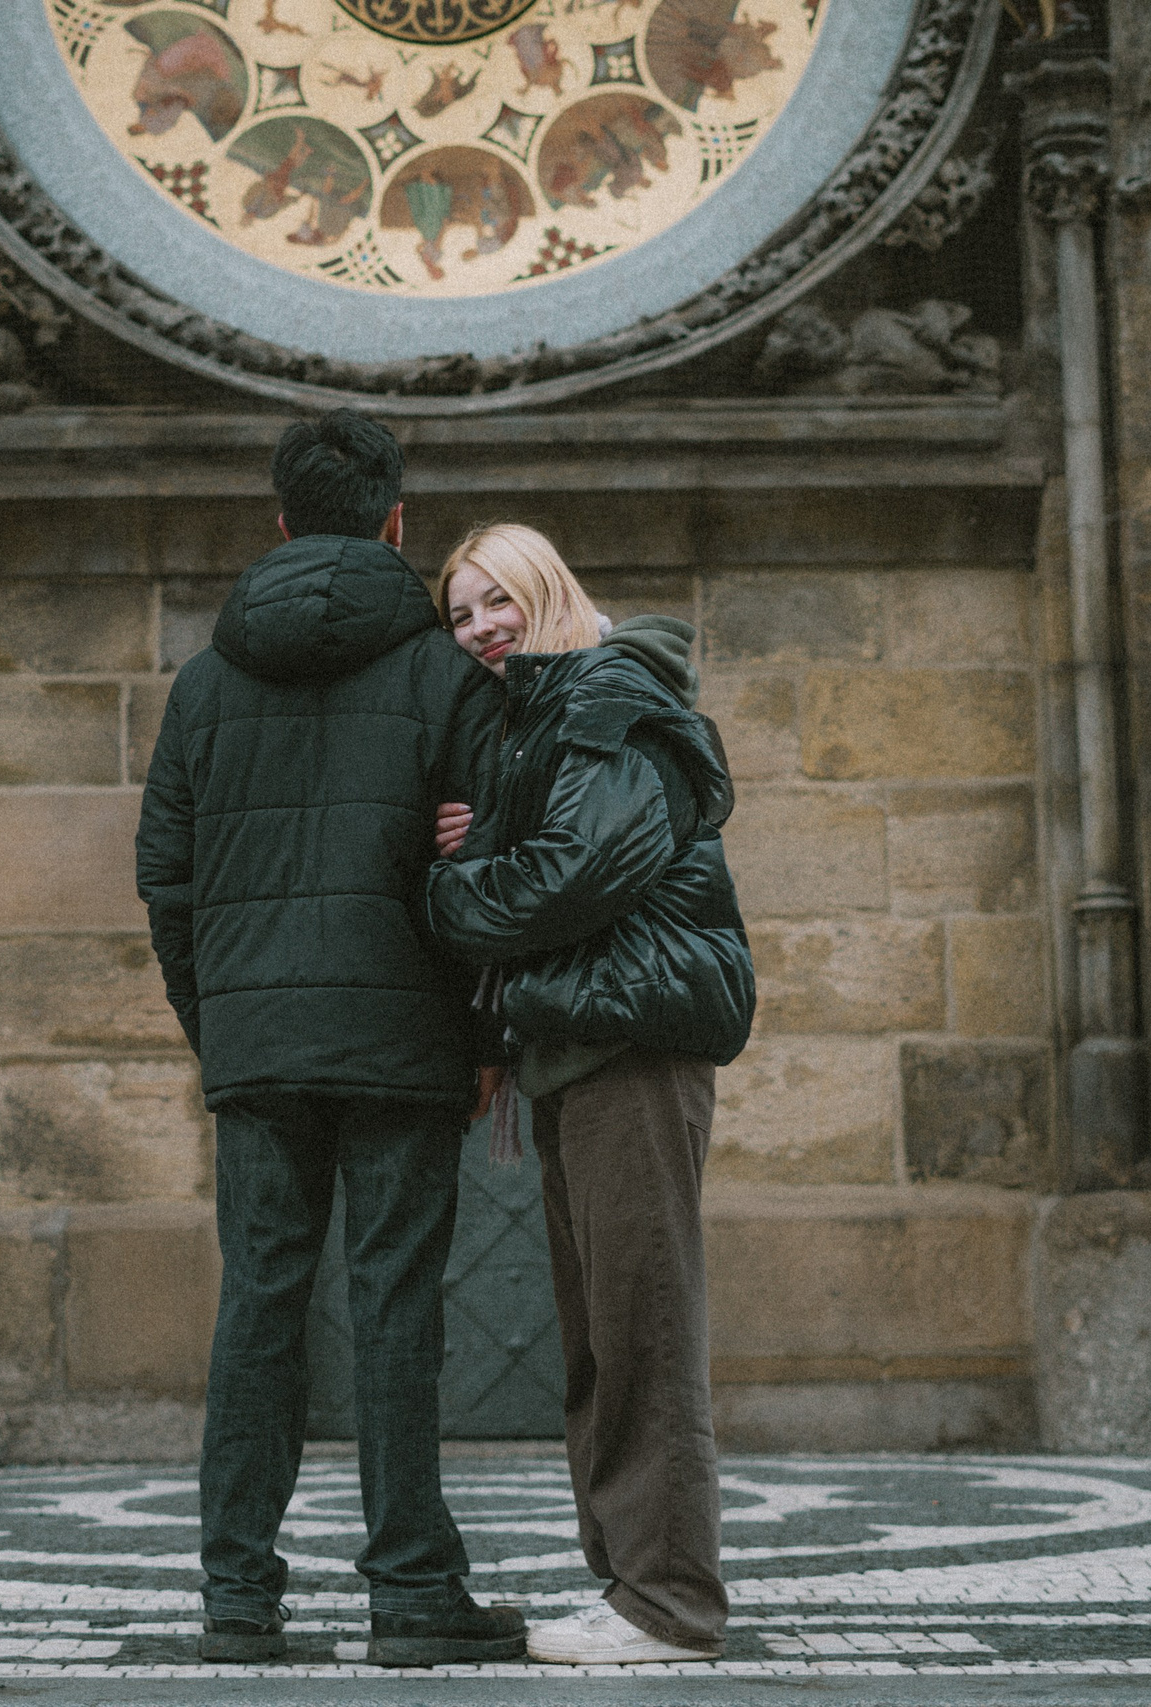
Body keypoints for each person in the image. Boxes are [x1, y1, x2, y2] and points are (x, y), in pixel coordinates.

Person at [134, 411, 525, 1668]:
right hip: (407, 1042)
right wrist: (476, 1036)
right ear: (396, 523)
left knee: (258, 1302)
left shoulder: (204, 681)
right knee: (396, 1305)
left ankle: (237, 1598)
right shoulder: (443, 674)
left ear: (282, 522)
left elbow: (166, 880)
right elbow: (479, 872)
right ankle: (411, 1592)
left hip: (256, 1048)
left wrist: (221, 1029)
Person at [423, 522, 755, 1665]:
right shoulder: (550, 713)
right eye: (460, 615)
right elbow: (559, 854)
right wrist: (495, 834)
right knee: (601, 1340)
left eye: (494, 601)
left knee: (641, 1331)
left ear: (547, 585)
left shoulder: (609, 694)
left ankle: (668, 1604)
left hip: (632, 1043)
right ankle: (628, 1590)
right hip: (580, 1045)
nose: (478, 630)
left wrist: (454, 882)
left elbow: (578, 875)